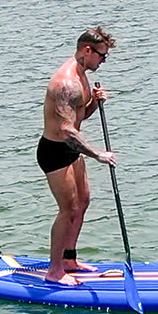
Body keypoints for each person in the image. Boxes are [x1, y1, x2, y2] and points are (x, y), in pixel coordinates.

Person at [37, 27, 117, 285]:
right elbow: (66, 130)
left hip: (71, 148)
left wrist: (94, 102)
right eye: (102, 56)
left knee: (83, 202)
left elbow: (79, 116)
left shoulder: (82, 75)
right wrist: (98, 155)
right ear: (87, 50)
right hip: (55, 152)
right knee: (68, 209)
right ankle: (55, 271)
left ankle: (69, 259)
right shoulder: (66, 84)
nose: (103, 61)